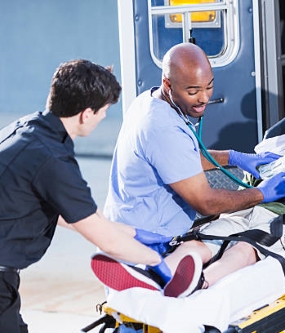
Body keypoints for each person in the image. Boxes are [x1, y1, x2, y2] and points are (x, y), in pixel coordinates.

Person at [90, 98, 285, 332]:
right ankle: (155, 275)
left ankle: (199, 283)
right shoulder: (276, 160)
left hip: (281, 222)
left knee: (244, 248)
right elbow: (245, 195)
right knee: (202, 240)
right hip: (245, 212)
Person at [0, 59, 182, 333]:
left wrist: (133, 233)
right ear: (86, 113)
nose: (104, 117)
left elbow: (72, 214)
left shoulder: (29, 129)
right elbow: (105, 240)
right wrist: (159, 263)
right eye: (104, 111)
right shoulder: (52, 160)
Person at [103, 41, 285, 246]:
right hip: (147, 238)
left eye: (209, 86)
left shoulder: (148, 99)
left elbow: (179, 159)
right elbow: (206, 202)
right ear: (168, 84)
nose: (204, 98)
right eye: (193, 91)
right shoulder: (161, 127)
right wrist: (261, 193)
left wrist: (233, 157)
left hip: (126, 225)